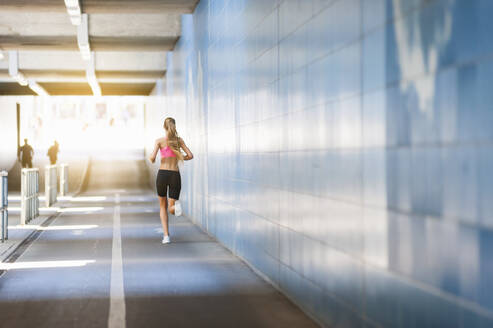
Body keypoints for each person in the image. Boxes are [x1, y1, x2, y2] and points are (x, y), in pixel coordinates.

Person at [148, 117, 193, 244]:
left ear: (164, 127)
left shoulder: (159, 141)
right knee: (171, 207)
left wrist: (152, 159)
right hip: (174, 175)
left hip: (162, 174)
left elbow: (152, 157)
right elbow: (190, 155)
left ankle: (166, 236)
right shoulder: (179, 141)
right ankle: (175, 208)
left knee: (162, 206)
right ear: (174, 126)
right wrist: (179, 157)